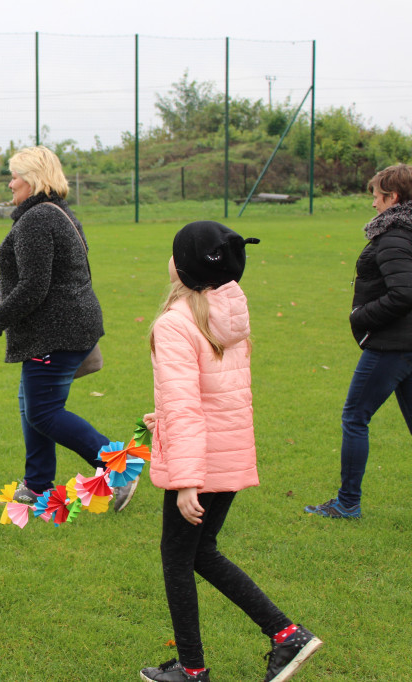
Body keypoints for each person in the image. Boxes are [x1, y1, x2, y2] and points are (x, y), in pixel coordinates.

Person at [140, 222, 321, 682]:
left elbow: (188, 406)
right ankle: (286, 636)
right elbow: (204, 397)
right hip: (223, 452)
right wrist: (162, 422)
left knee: (177, 560)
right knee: (202, 554)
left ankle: (193, 669)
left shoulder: (176, 323)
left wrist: (184, 480)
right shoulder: (223, 312)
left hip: (200, 464)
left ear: (183, 268)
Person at [0, 146, 136, 512]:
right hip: (65, 327)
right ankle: (38, 483)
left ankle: (117, 465)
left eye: (14, 176)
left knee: (42, 412)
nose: (9, 184)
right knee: (33, 405)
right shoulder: (57, 213)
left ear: (32, 179)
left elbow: (34, 286)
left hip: (56, 333)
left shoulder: (37, 220)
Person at [306, 163, 412, 520]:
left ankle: (347, 503)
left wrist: (360, 316)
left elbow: (403, 294)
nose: (373, 204)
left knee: (354, 417)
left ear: (393, 197)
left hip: (391, 347)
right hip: (404, 344)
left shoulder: (395, 234)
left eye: (376, 196)